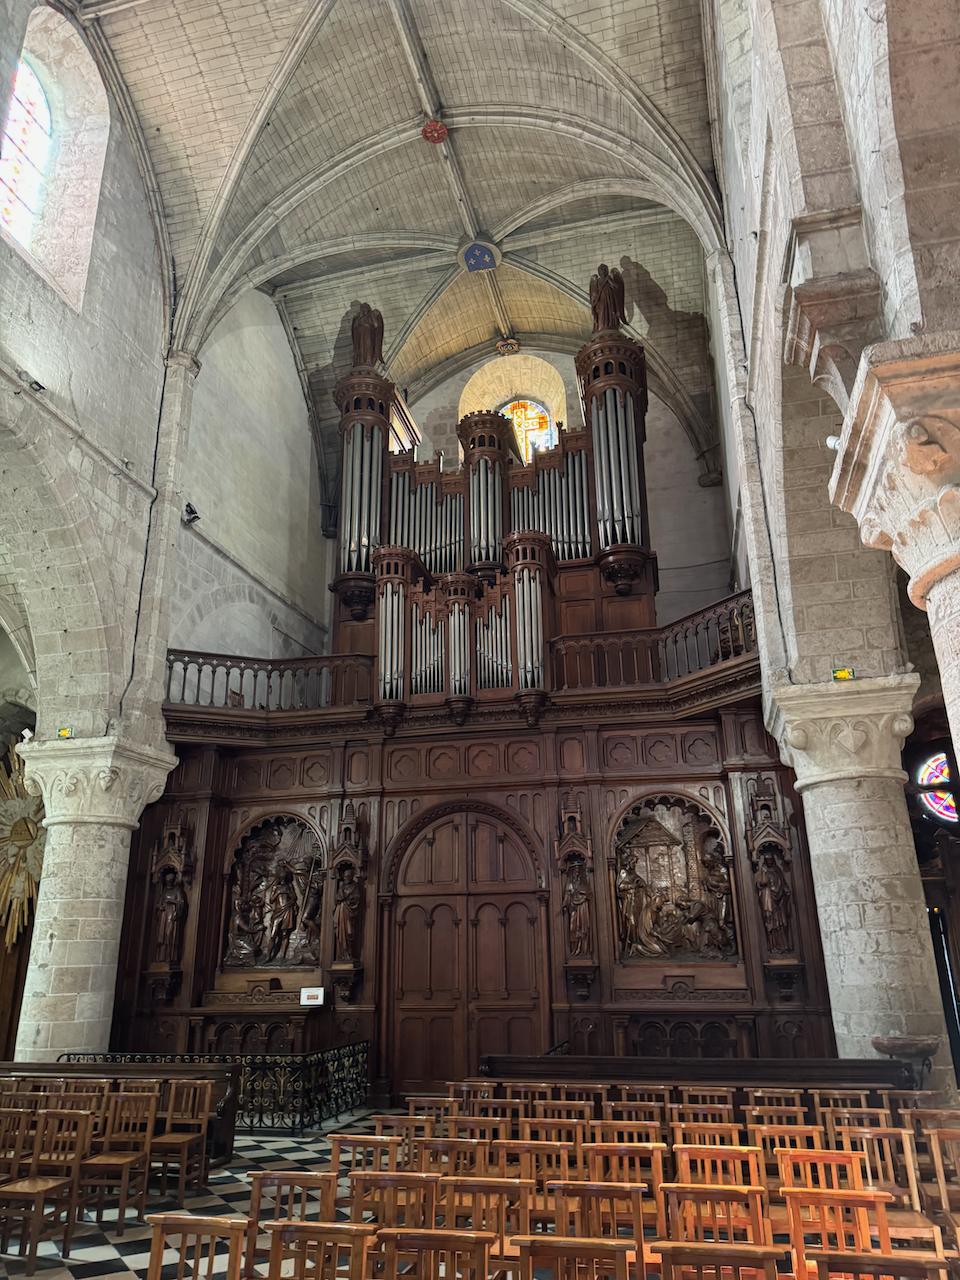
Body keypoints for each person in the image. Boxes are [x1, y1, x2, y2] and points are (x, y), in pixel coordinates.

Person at [154, 866, 187, 965]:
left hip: (171, 915)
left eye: (170, 881)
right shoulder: (164, 890)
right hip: (164, 915)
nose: (168, 883)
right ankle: (160, 957)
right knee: (162, 936)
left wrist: (171, 902)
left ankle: (170, 957)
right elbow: (160, 902)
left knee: (169, 935)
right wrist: (159, 907)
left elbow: (181, 902)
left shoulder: (177, 890)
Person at [333, 864, 362, 961]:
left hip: (349, 911)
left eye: (349, 876)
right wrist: (342, 899)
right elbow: (337, 898)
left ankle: (349, 953)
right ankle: (342, 954)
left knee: (349, 932)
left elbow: (357, 898)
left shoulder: (355, 886)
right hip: (341, 910)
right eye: (345, 876)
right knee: (341, 932)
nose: (347, 878)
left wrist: (349, 901)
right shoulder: (341, 887)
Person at [562, 862, 592, 956]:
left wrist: (584, 893)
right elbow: (567, 895)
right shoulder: (570, 883)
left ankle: (583, 949)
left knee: (583, 929)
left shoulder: (584, 882)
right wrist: (564, 904)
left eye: (578, 870)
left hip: (583, 907)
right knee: (573, 928)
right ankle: (575, 949)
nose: (577, 872)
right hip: (574, 907)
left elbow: (589, 894)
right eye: (575, 870)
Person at [588, 262, 626, 332]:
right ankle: (602, 327)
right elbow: (594, 293)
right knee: (602, 314)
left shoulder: (609, 279)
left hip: (610, 299)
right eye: (601, 270)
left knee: (611, 312)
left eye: (604, 270)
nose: (603, 271)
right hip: (601, 300)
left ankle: (612, 325)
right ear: (599, 272)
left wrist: (609, 280)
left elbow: (616, 287)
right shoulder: (598, 281)